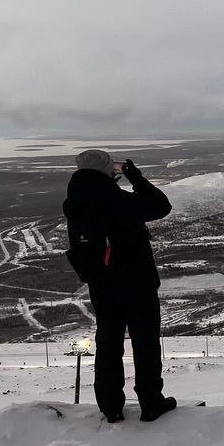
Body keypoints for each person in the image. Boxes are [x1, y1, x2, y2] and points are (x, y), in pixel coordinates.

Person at [63, 149, 177, 423]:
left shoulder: (75, 204)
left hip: (102, 284)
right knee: (145, 342)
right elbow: (161, 206)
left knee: (108, 343)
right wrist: (135, 177)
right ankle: (151, 402)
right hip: (137, 283)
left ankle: (111, 405)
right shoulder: (117, 200)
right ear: (106, 171)